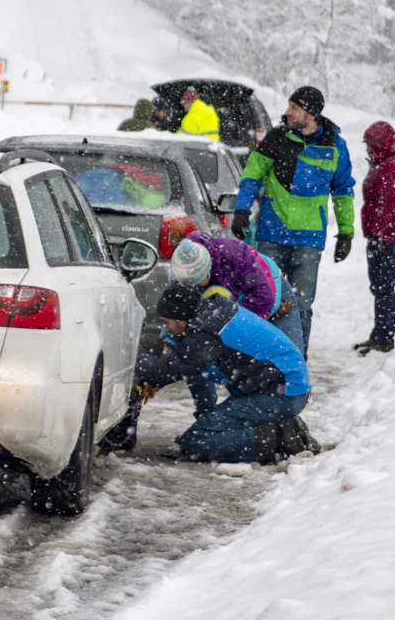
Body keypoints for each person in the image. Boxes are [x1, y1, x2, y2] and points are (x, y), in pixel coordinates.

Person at [231, 86, 355, 355]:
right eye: (289, 106)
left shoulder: (335, 146)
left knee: (301, 307)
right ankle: (260, 360)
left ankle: (296, 362)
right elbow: (252, 176)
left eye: (294, 108)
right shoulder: (276, 138)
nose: (287, 112)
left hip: (309, 239)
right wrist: (241, 210)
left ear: (311, 114)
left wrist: (346, 232)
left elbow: (343, 191)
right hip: (271, 234)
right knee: (263, 300)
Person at [140, 284, 315, 464]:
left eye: (167, 322)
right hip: (280, 387)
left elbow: (162, 369)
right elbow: (186, 367)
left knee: (196, 442)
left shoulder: (207, 333)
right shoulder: (212, 315)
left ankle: (280, 439)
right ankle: (279, 428)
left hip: (283, 392)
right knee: (198, 437)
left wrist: (134, 359)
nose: (167, 328)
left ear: (180, 318)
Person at [171, 235, 305, 355]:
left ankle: (274, 314)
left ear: (207, 272)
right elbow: (174, 314)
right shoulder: (180, 270)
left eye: (196, 283)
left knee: (291, 355)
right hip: (239, 304)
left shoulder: (235, 255)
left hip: (271, 290)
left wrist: (216, 324)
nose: (193, 288)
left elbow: (264, 298)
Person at [357, 121, 395, 354]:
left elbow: (386, 205)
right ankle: (380, 335)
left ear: (380, 143)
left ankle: (383, 338)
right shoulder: (389, 162)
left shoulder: (391, 166)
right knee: (381, 286)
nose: (367, 149)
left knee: (383, 286)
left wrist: (377, 236)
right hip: (394, 234)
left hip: (394, 236)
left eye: (370, 144)